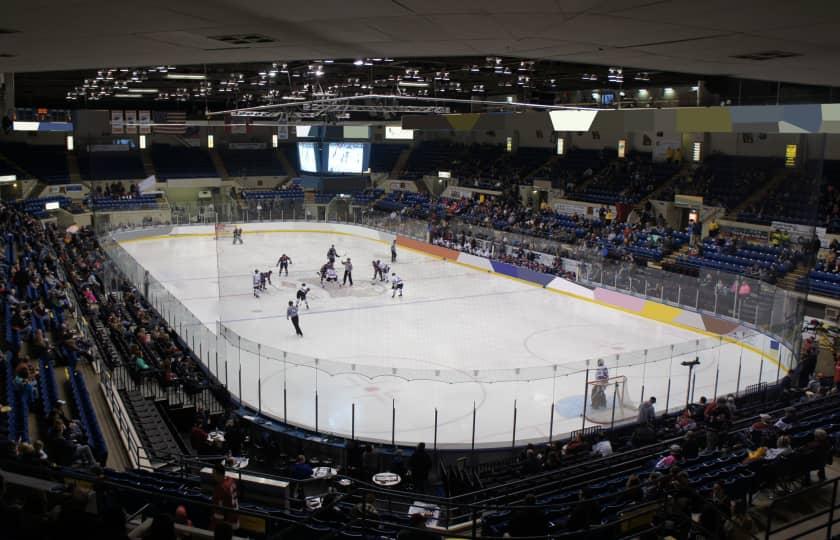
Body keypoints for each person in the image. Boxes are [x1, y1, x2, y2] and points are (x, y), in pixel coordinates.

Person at [211, 463, 239, 531]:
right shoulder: (231, 480)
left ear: (219, 474)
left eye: (213, 473)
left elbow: (219, 512)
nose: (212, 475)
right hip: (236, 518)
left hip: (227, 524)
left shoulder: (220, 488)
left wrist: (214, 528)